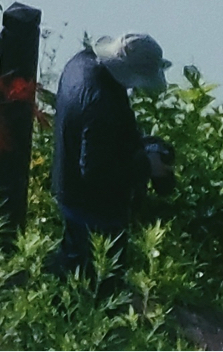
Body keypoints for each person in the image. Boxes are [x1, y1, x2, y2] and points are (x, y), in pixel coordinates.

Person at [51, 34, 175, 276]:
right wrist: (147, 166)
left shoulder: (81, 64)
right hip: (92, 210)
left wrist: (142, 146)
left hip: (67, 184)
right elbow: (96, 171)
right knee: (99, 282)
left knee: (70, 267)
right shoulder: (103, 105)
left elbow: (98, 139)